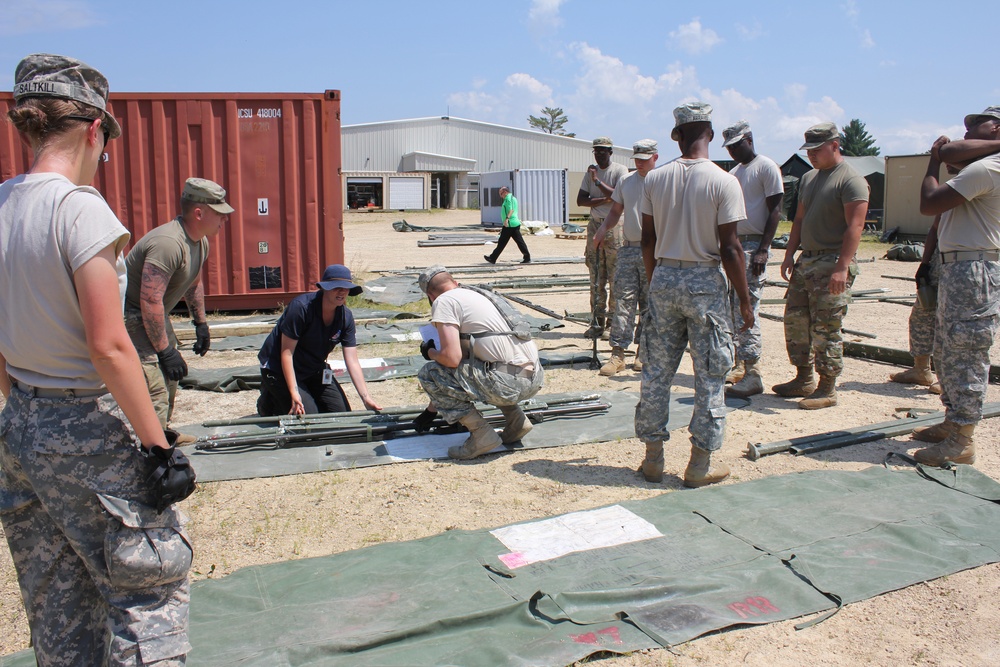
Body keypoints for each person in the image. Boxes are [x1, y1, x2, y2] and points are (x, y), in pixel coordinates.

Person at [0, 53, 193, 666]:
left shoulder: (3, 204)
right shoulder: (79, 209)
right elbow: (110, 347)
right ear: (94, 130)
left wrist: (18, 403)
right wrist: (158, 445)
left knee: (59, 605)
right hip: (87, 427)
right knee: (147, 592)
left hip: (22, 428)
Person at [635, 102, 753, 488]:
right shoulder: (724, 181)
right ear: (712, 135)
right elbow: (731, 248)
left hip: (664, 276)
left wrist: (657, 283)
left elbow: (648, 240)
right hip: (704, 282)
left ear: (676, 136)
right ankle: (698, 465)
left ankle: (653, 460)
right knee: (710, 375)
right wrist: (745, 301)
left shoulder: (655, 178)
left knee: (656, 372)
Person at [911, 106, 1000, 466]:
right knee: (947, 352)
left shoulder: (988, 167)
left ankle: (963, 438)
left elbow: (929, 203)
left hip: (974, 268)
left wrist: (934, 161)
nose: (970, 132)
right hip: (959, 268)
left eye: (979, 126)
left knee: (966, 354)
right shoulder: (978, 166)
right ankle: (953, 422)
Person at [124, 177, 233, 438]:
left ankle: (161, 434)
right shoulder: (168, 243)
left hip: (153, 315)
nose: (225, 220)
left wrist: (201, 323)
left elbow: (192, 281)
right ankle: (149, 451)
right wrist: (164, 350)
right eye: (220, 214)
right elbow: (148, 300)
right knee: (155, 385)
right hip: (130, 318)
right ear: (199, 213)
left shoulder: (199, 240)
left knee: (172, 378)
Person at [773, 122, 869, 409]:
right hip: (808, 260)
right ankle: (803, 378)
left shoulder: (851, 179)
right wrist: (790, 253)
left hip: (832, 260)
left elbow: (856, 225)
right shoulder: (810, 178)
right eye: (809, 150)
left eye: (817, 149)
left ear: (834, 146)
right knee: (796, 321)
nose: (811, 155)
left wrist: (842, 267)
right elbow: (799, 220)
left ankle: (827, 386)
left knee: (826, 326)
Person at [415, 266, 543, 460]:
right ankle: (516, 420)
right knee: (485, 366)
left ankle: (481, 434)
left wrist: (430, 352)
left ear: (431, 296)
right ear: (455, 283)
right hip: (532, 377)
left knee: (429, 372)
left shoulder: (443, 301)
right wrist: (430, 411)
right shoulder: (480, 295)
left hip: (506, 385)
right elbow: (466, 363)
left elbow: (451, 359)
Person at [257, 264, 383, 416]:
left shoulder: (346, 317)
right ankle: (270, 400)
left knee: (342, 416)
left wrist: (365, 398)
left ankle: (299, 392)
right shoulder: (301, 308)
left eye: (346, 288)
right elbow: (286, 353)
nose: (342, 292)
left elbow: (352, 360)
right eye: (337, 287)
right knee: (310, 418)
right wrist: (294, 393)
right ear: (325, 288)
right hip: (279, 369)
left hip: (313, 367)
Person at [721, 121, 784, 398]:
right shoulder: (734, 173)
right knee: (732, 308)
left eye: (737, 145)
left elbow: (775, 210)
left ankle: (754, 371)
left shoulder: (766, 167)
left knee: (749, 307)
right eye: (730, 148)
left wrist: (763, 248)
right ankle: (740, 365)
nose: (733, 151)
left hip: (754, 244)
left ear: (749, 139)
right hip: (735, 243)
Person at [592, 139, 658, 376]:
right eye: (637, 160)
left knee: (650, 304)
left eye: (644, 160)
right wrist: (601, 232)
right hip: (629, 248)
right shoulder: (626, 182)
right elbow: (615, 212)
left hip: (654, 250)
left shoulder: (663, 182)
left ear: (655, 158)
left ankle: (644, 352)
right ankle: (618, 353)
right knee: (624, 300)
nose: (640, 164)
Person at [577, 137, 629, 339]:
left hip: (614, 225)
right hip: (594, 224)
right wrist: (605, 198)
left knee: (615, 277)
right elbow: (581, 200)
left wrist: (598, 182)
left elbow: (619, 196)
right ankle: (596, 322)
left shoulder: (620, 171)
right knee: (596, 277)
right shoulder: (588, 173)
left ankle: (612, 324)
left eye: (603, 151)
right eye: (596, 151)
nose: (599, 155)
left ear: (610, 152)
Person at [889, 214, 943, 394]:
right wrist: (925, 263)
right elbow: (935, 228)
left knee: (953, 323)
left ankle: (949, 378)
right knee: (921, 315)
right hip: (938, 261)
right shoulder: (951, 194)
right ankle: (921, 370)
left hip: (965, 262)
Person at [484, 185, 530, 264]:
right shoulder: (511, 198)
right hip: (511, 224)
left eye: (501, 193)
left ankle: (492, 258)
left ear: (505, 192)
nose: (500, 195)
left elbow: (511, 210)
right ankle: (527, 257)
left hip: (510, 224)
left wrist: (506, 219)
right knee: (518, 241)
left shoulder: (509, 198)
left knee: (502, 242)